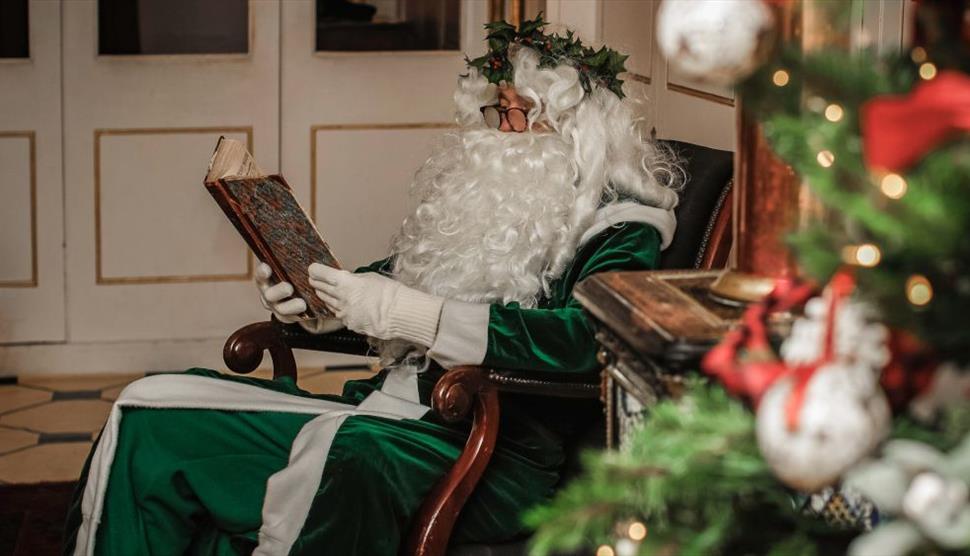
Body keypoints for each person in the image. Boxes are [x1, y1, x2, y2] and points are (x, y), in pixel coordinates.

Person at [64, 17, 681, 556]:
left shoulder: (622, 230)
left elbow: (585, 341)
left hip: (487, 456)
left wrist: (408, 314)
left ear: (580, 132)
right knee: (151, 409)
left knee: (345, 451)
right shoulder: (504, 208)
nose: (504, 131)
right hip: (385, 418)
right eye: (501, 110)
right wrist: (317, 305)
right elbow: (396, 285)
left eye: (523, 114)